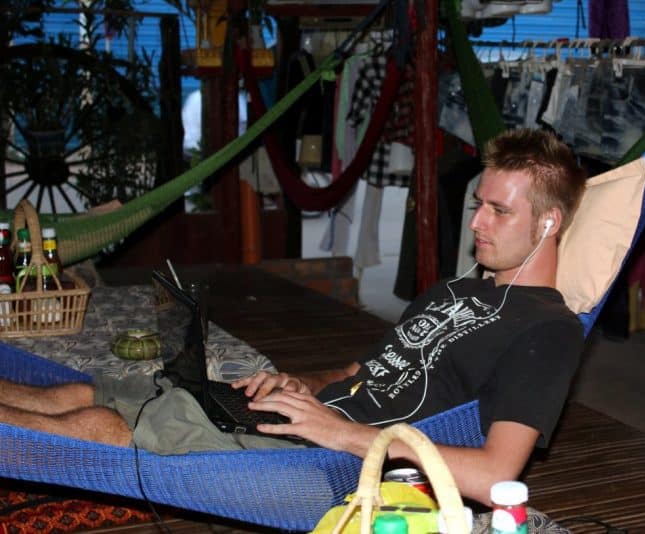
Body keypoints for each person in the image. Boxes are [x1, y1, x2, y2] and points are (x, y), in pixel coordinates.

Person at [0, 129, 587, 506]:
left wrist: (339, 432)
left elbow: (498, 475)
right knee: (82, 390)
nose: (478, 222)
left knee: (105, 428)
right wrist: (298, 386)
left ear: (548, 224)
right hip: (305, 425)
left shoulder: (548, 331)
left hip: (330, 468)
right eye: (478, 204)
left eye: (498, 211)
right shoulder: (457, 291)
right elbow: (368, 368)